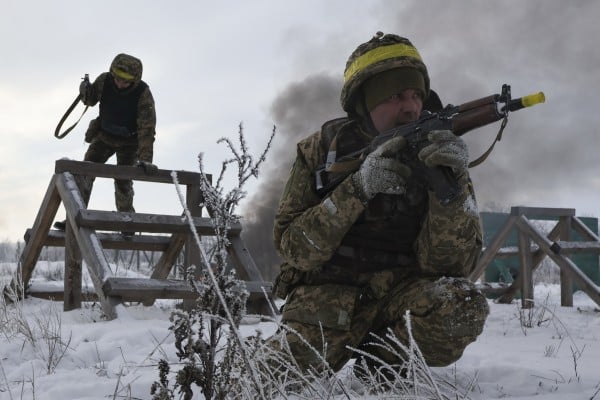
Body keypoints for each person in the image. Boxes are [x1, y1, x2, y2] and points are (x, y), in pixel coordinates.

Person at [268, 32, 489, 378]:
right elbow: (294, 249)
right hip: (327, 303)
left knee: (461, 304)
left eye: (417, 95)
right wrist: (357, 189)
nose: (411, 107)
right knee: (270, 380)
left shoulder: (438, 152)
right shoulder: (320, 151)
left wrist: (452, 188)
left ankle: (382, 364)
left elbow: (452, 267)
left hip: (400, 299)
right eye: (396, 95)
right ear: (363, 102)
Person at [54, 53, 158, 236]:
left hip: (129, 142)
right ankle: (75, 214)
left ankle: (126, 222)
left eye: (125, 81)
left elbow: (147, 129)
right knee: (85, 172)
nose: (119, 83)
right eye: (117, 78)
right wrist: (86, 91)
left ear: (134, 80)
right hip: (104, 136)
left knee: (123, 179)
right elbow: (91, 100)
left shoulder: (143, 94)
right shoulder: (105, 80)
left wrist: (145, 159)